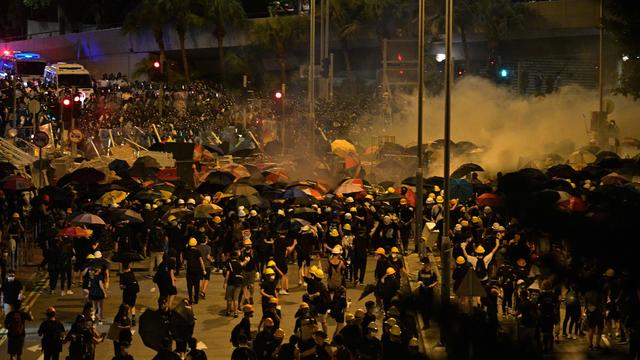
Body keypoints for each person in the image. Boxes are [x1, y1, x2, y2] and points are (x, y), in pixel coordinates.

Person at [416, 257, 437, 329]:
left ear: (427, 264)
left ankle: (429, 320)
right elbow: (418, 280)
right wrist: (420, 283)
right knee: (423, 309)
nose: (421, 265)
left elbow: (436, 281)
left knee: (429, 308)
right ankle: (426, 323)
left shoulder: (432, 272)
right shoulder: (420, 272)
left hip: (429, 293)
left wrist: (431, 286)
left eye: (422, 264)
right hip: (422, 293)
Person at [184, 238, 206, 304]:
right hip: (197, 271)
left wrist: (186, 268)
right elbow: (201, 261)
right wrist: (204, 270)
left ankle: (190, 299)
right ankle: (196, 300)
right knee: (197, 285)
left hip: (189, 271)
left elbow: (185, 263)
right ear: (195, 244)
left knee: (189, 286)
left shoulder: (187, 252)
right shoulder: (198, 252)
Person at [225, 251, 245, 317]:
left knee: (229, 298)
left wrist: (225, 282)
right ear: (237, 256)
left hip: (231, 282)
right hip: (238, 283)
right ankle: (235, 313)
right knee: (235, 299)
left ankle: (228, 311)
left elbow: (228, 274)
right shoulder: (239, 264)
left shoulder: (229, 264)